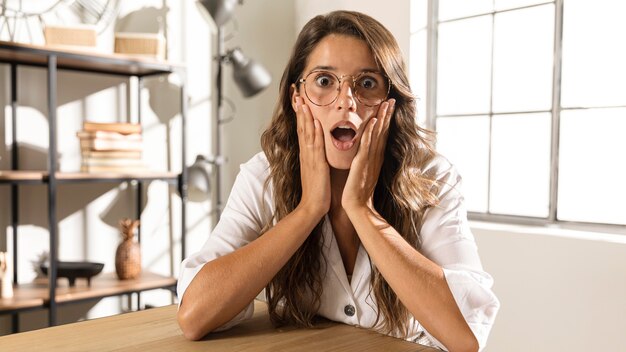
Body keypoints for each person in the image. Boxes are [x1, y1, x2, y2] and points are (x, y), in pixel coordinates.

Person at [177, 10, 499, 352]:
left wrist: (361, 210)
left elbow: (466, 336)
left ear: (391, 103)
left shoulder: (432, 177)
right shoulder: (263, 176)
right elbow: (195, 316)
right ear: (296, 98)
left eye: (367, 83)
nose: (346, 102)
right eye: (324, 81)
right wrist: (308, 210)